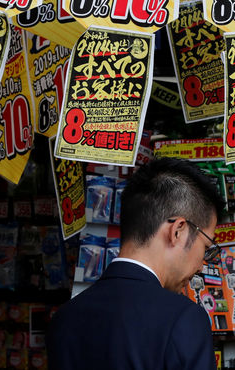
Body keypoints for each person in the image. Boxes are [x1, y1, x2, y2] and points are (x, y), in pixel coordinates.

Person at [48, 157, 224, 370]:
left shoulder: (65, 318)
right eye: (206, 247)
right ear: (177, 230)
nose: (201, 266)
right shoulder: (183, 319)